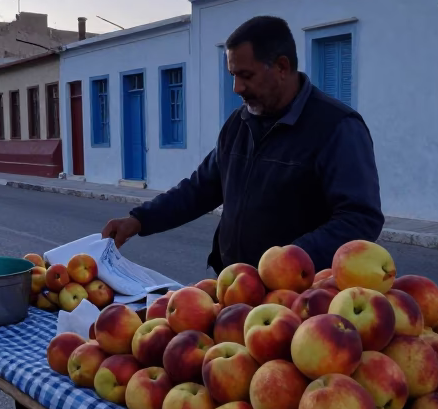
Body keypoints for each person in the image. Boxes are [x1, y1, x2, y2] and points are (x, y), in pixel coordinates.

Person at [103, 15, 384, 274]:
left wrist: (288, 261)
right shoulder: (239, 122)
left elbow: (359, 219)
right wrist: (139, 220)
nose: (236, 88)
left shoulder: (337, 127)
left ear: (282, 67)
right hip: (234, 286)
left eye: (246, 75)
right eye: (233, 75)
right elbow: (200, 189)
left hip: (298, 300)